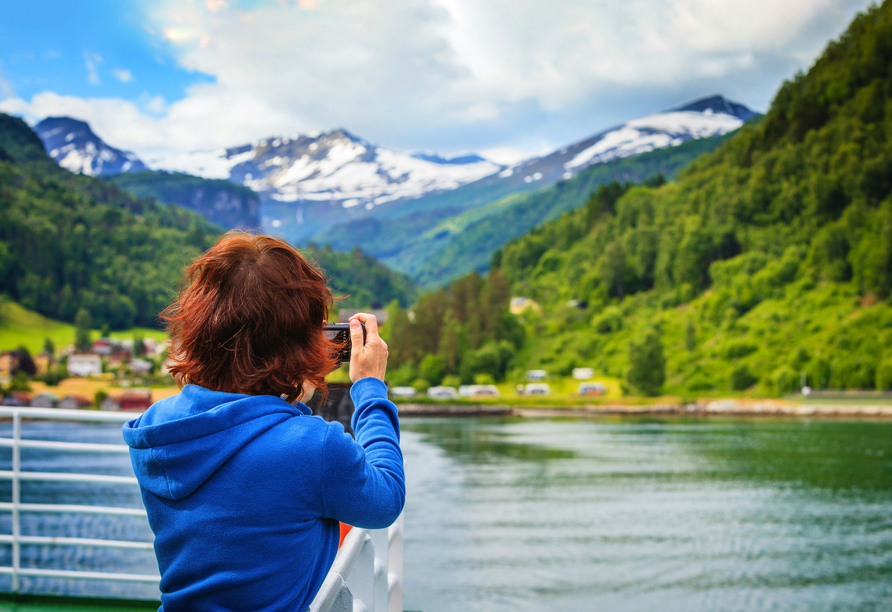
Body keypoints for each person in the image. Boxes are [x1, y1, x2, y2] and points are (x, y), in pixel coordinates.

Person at [122, 232, 405, 612]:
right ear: (296, 343)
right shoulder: (311, 446)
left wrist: (288, 384)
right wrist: (370, 387)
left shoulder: (155, 427)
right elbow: (384, 499)